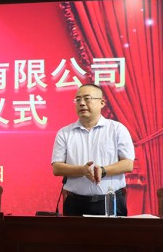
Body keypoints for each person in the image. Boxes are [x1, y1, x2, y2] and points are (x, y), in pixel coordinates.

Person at [51, 83, 134, 216]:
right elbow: (57, 168)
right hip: (75, 203)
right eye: (78, 100)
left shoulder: (117, 129)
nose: (82, 103)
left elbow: (128, 164)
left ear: (102, 103)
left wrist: (102, 171)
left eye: (87, 98)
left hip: (110, 202)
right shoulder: (65, 133)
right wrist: (82, 170)